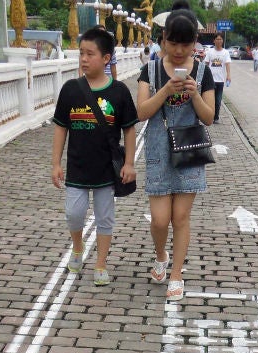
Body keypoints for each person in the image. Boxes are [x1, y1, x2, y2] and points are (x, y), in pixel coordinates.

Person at [137, 1, 215, 302]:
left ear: (194, 43)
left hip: (190, 150)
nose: (179, 50)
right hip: (158, 150)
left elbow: (208, 117)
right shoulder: (152, 70)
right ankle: (161, 256)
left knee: (180, 217)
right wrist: (165, 91)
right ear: (163, 40)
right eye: (173, 43)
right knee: (159, 220)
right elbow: (141, 112)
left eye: (186, 44)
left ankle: (177, 274)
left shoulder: (204, 72)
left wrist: (194, 94)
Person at [52, 26, 137, 286]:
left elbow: (129, 128)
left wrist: (130, 163)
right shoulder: (70, 90)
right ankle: (77, 247)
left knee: (105, 217)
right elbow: (60, 127)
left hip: (105, 170)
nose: (84, 59)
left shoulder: (119, 92)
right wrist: (55, 163)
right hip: (77, 167)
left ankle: (100, 263)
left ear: (106, 58)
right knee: (73, 214)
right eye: (81, 53)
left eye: (90, 54)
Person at [205, 33, 231, 123]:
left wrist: (228, 75)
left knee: (218, 100)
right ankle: (209, 116)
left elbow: (227, 64)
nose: (219, 41)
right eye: (217, 39)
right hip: (210, 80)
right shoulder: (210, 52)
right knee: (209, 99)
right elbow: (206, 64)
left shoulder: (225, 52)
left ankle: (216, 117)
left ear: (222, 41)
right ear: (214, 40)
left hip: (220, 80)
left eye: (220, 39)